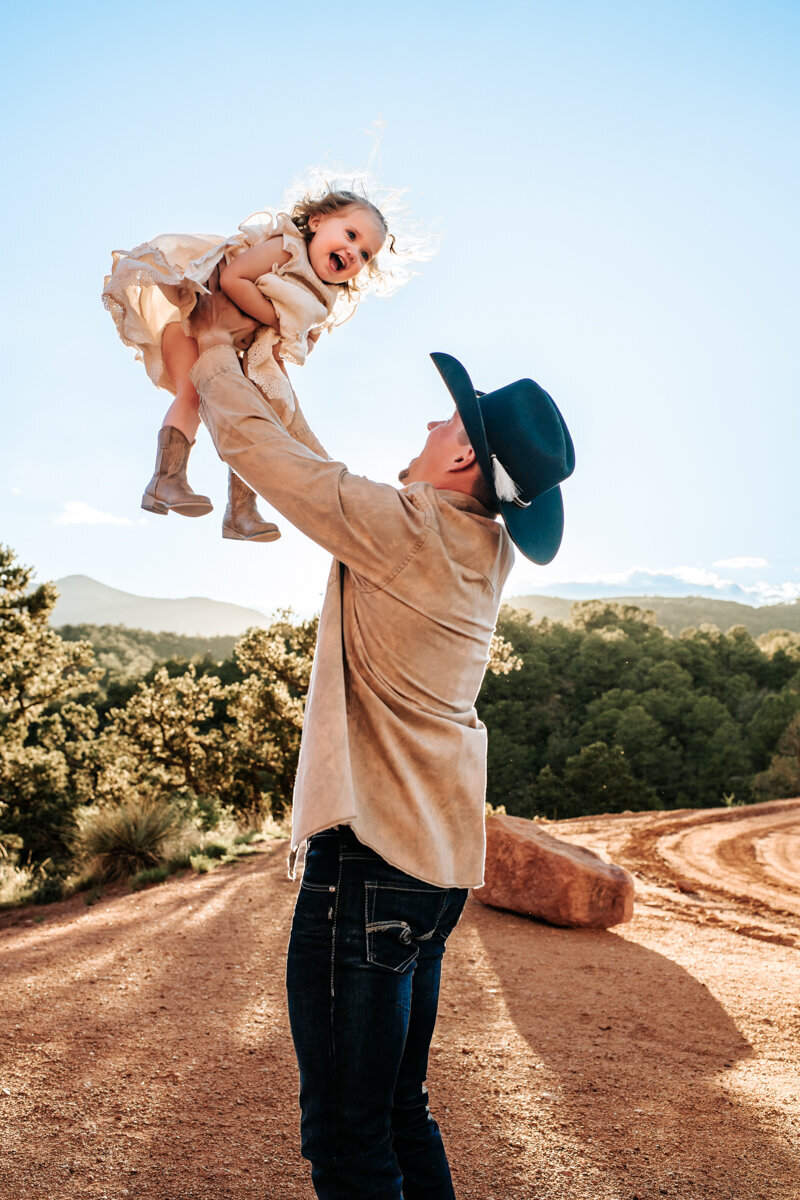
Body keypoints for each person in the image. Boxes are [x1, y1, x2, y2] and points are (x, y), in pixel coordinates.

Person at [187, 275, 575, 1200]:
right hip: (431, 868)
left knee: (349, 1140)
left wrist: (207, 343)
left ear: (463, 465)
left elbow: (264, 457)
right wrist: (264, 362)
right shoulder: (478, 545)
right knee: (402, 1114)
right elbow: (317, 473)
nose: (433, 422)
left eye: (450, 421)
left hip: (366, 868)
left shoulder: (407, 530)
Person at [102, 187, 391, 541]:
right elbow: (231, 279)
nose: (354, 253)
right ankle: (166, 480)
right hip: (191, 312)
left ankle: (240, 511)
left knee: (256, 419)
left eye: (365, 254)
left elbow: (292, 331)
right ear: (316, 222)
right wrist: (276, 320)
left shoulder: (321, 295)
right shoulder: (287, 248)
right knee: (190, 394)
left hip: (234, 345)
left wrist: (299, 339)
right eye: (350, 235)